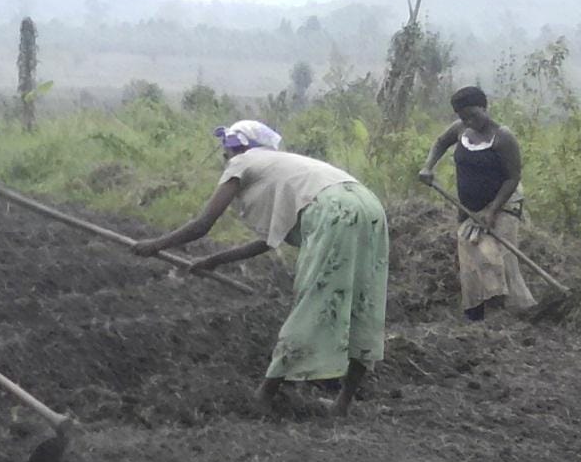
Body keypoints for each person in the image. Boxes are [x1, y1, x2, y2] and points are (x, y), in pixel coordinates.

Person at [131, 120, 388, 418]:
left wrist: (155, 245)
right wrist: (215, 261)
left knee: (312, 301)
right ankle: (342, 403)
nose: (224, 157)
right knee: (363, 301)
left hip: (334, 212)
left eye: (226, 150)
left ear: (236, 146)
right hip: (369, 206)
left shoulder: (242, 161)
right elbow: (268, 241)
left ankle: (265, 395)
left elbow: (203, 224)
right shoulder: (282, 164)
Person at [419, 86, 536, 321]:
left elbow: (513, 178)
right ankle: (476, 312)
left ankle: (519, 309)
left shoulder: (503, 137)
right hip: (469, 206)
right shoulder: (461, 129)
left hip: (503, 204)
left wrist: (492, 211)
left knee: (501, 257)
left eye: (473, 114)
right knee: (469, 253)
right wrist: (428, 167)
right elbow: (441, 143)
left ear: (484, 107)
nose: (469, 121)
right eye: (463, 117)